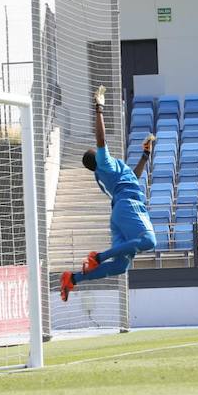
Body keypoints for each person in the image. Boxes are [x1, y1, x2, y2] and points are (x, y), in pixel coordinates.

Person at [60, 85, 157, 302]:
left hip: (120, 213)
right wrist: (99, 108)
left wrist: (144, 156)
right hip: (128, 206)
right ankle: (98, 257)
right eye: (99, 152)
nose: (103, 151)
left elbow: (133, 177)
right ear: (97, 158)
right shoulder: (104, 163)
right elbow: (101, 140)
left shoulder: (107, 172)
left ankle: (72, 279)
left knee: (121, 266)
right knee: (150, 241)